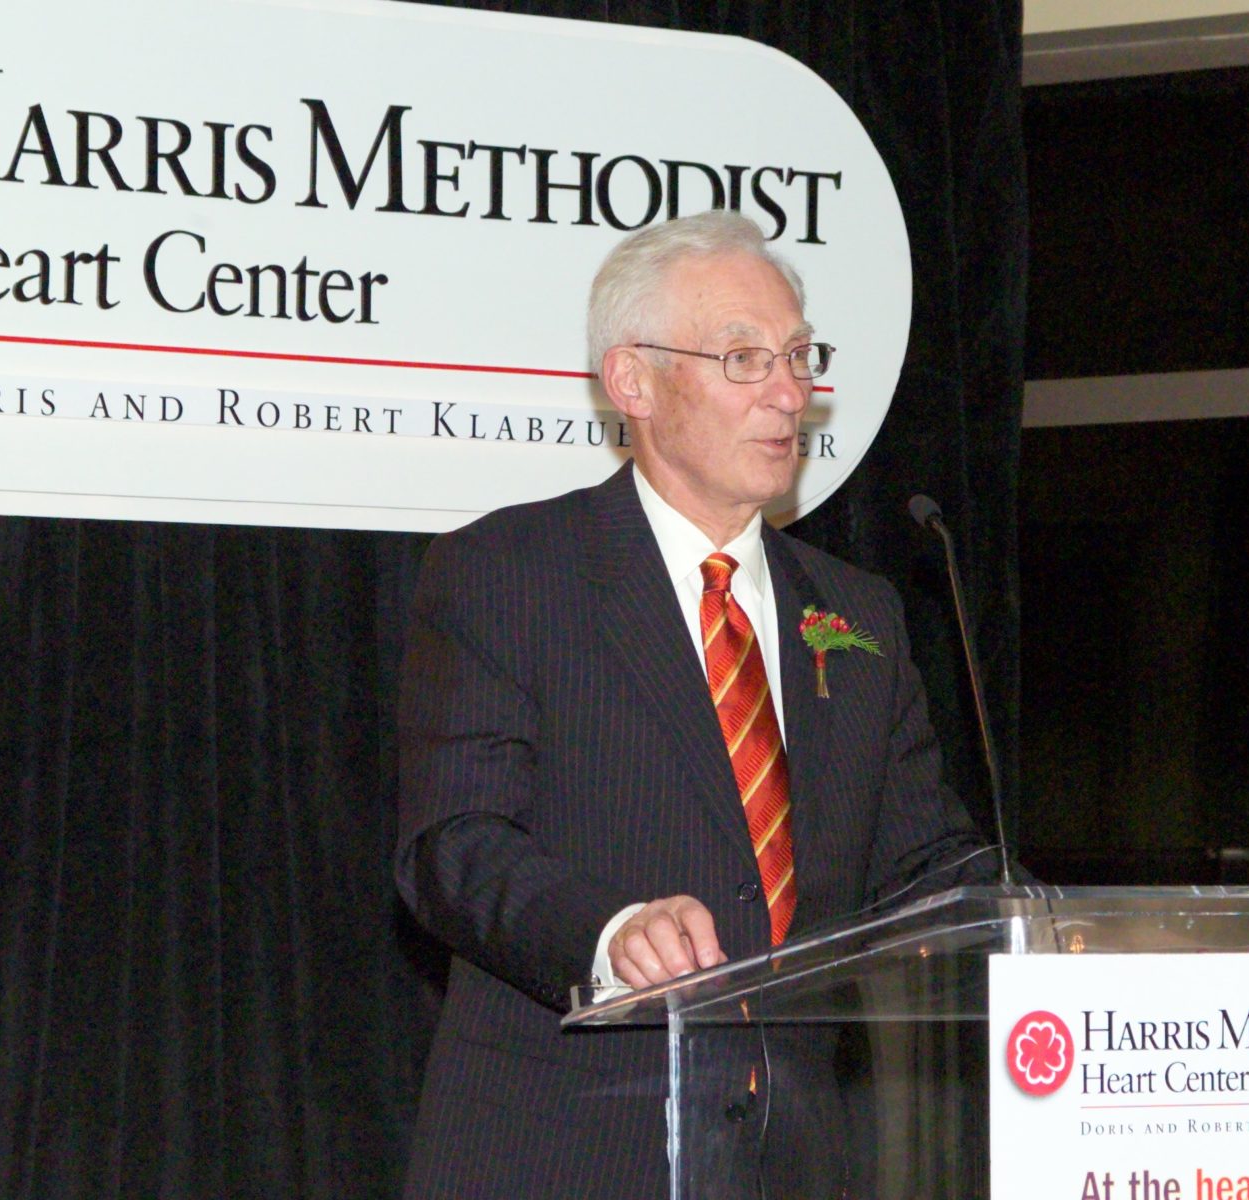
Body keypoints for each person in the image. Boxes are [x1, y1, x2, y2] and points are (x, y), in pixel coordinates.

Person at [395, 210, 990, 1199]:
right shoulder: (509, 573)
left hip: (796, 1161)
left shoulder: (857, 610)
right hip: (565, 1151)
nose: (789, 394)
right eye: (744, 358)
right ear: (631, 381)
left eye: (799, 356)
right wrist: (607, 930)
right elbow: (453, 847)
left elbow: (922, 863)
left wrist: (1045, 919)